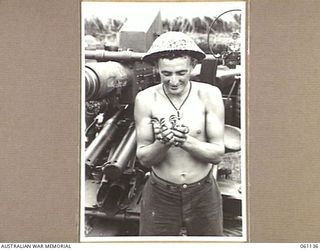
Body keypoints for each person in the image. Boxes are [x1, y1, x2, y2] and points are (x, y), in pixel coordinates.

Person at [134, 32, 225, 236]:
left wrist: (185, 141)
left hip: (203, 193)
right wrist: (162, 143)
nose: (174, 81)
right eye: (166, 74)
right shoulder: (145, 99)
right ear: (157, 68)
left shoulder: (209, 95)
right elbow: (144, 159)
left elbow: (218, 154)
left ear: (193, 67)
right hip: (160, 194)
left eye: (181, 73)